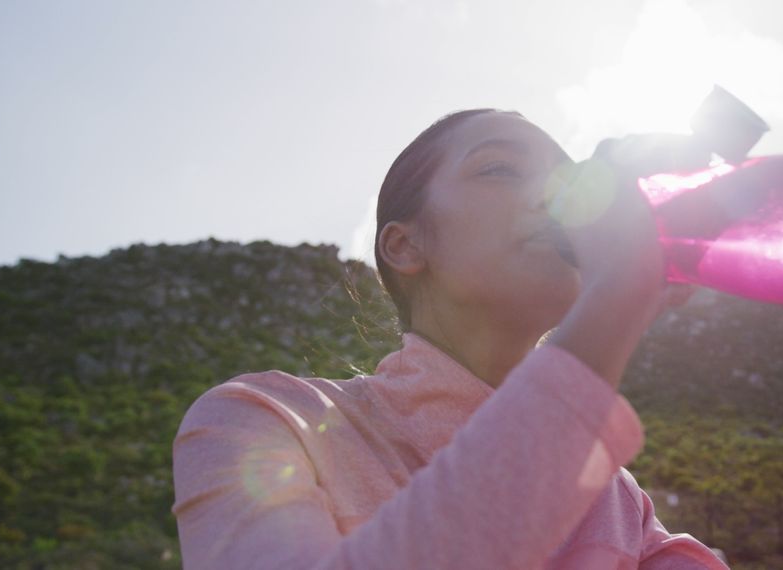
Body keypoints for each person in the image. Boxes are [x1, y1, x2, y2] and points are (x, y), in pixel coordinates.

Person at [171, 108, 729, 569]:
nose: (555, 201)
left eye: (568, 183)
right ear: (405, 246)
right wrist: (616, 296)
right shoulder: (259, 422)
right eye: (500, 170)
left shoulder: (616, 499)